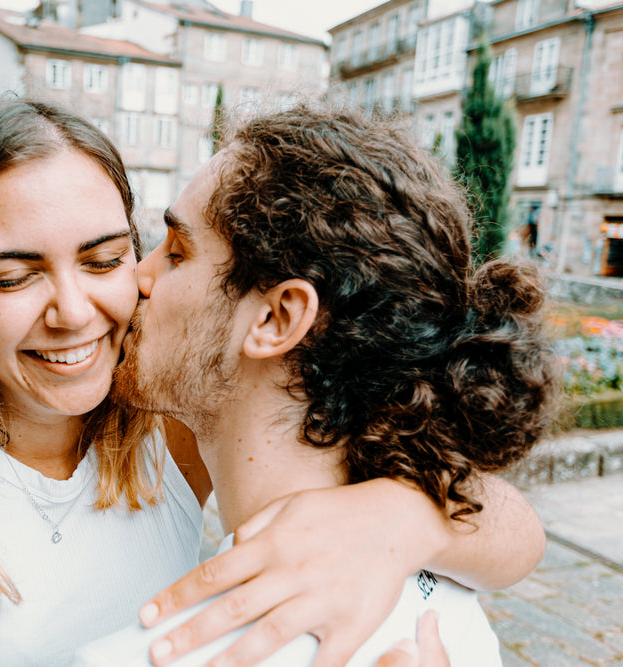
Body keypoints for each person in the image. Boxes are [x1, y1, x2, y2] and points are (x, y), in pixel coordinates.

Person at [0, 98, 547, 667]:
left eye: (108, 258)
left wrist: (397, 520)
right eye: (15, 276)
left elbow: (512, 526)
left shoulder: (169, 416)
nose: (77, 312)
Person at [73, 103, 558, 666]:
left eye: (177, 253)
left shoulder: (148, 655)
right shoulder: (451, 595)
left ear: (277, 319)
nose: (139, 275)